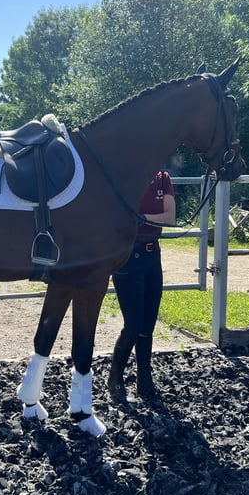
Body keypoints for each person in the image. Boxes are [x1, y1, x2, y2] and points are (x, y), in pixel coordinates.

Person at [108, 170, 176, 403]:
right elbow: (118, 216)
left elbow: (171, 216)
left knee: (148, 323)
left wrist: (142, 217)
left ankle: (144, 380)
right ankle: (115, 377)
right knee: (134, 324)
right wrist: (149, 218)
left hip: (152, 256)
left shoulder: (163, 178)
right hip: (128, 257)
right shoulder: (125, 174)